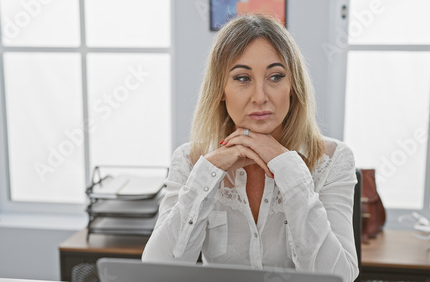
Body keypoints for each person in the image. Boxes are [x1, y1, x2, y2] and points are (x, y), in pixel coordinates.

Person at [142, 14, 359, 281]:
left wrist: (288, 169)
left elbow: (341, 277)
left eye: (276, 76)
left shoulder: (333, 159)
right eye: (243, 78)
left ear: (293, 86)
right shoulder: (191, 160)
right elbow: (157, 272)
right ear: (220, 89)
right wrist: (207, 173)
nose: (260, 97)